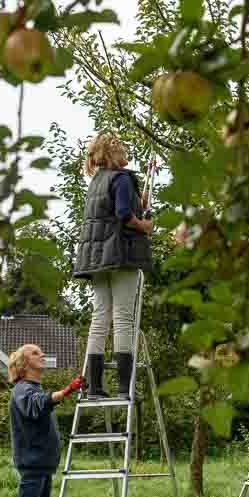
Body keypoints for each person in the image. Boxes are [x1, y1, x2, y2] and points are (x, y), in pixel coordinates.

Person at [72, 133, 153, 399]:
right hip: (120, 255)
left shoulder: (96, 181)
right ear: (112, 154)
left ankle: (95, 387)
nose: (126, 153)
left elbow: (114, 210)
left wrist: (139, 202)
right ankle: (122, 388)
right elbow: (123, 215)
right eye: (123, 149)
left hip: (95, 259)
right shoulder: (122, 177)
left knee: (99, 319)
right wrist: (144, 225)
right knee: (123, 318)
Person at [2, 344, 84, 497]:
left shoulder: (33, 387)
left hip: (43, 464)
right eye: (35, 353)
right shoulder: (21, 390)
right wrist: (67, 390)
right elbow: (38, 405)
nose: (42, 355)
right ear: (24, 363)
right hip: (32, 463)